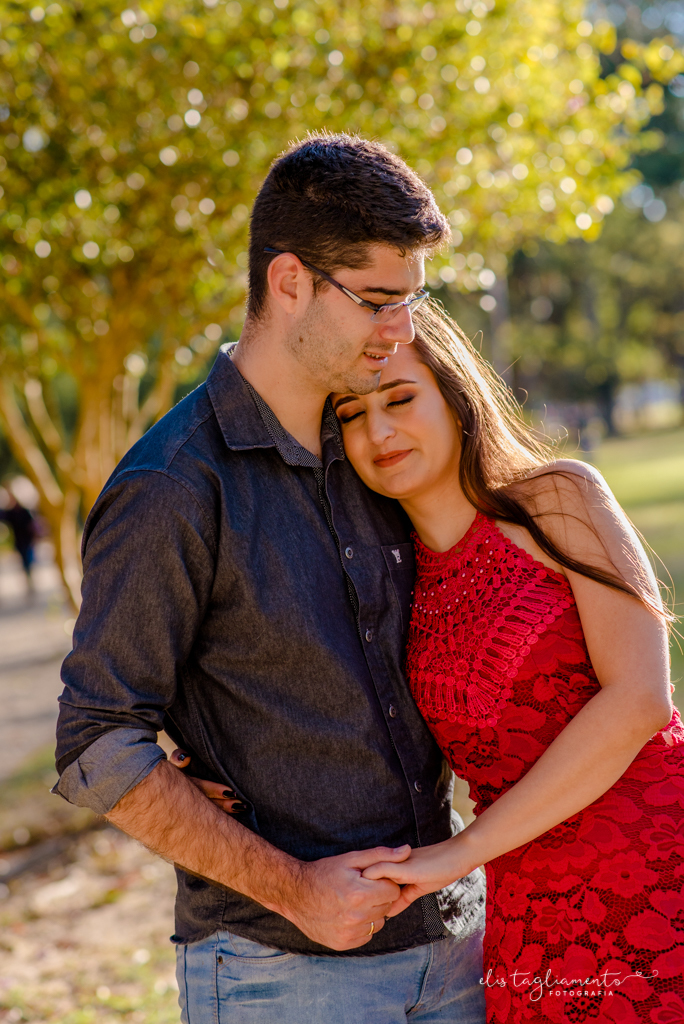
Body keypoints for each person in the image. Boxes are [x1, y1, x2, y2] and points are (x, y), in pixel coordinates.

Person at [53, 134, 486, 1024]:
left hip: (454, 948)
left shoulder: (376, 448)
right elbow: (96, 740)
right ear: (289, 282)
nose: (402, 331)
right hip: (281, 976)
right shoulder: (173, 487)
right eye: (378, 301)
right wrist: (297, 889)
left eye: (412, 301)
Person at [329, 301, 684, 1022]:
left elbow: (642, 699)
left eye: (400, 399)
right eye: (351, 414)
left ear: (456, 395)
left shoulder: (557, 500)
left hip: (659, 864)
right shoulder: (386, 580)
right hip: (532, 909)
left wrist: (460, 854)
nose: (378, 432)